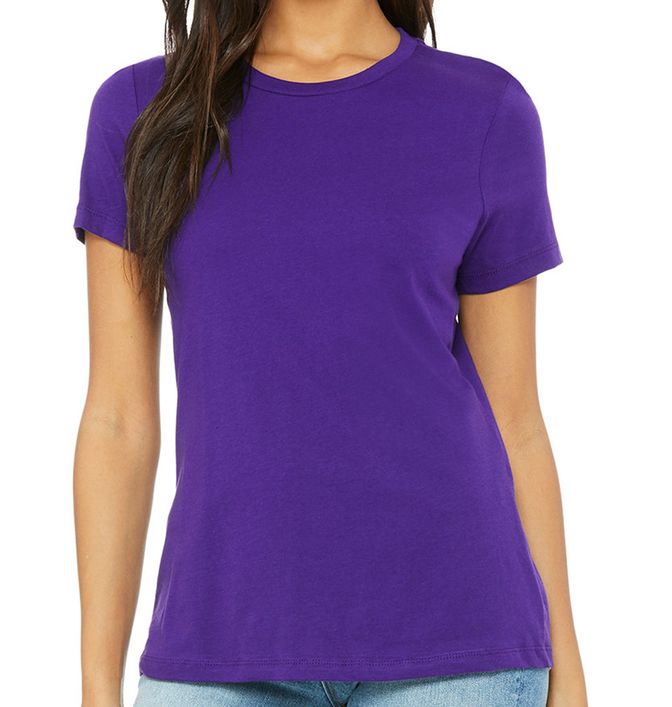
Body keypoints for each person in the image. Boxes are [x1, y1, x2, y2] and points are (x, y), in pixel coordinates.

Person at [72, 1, 588, 706]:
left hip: (460, 647)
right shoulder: (142, 111)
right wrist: (96, 684)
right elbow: (117, 420)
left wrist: (569, 670)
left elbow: (516, 422)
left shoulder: (485, 111)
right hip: (217, 643)